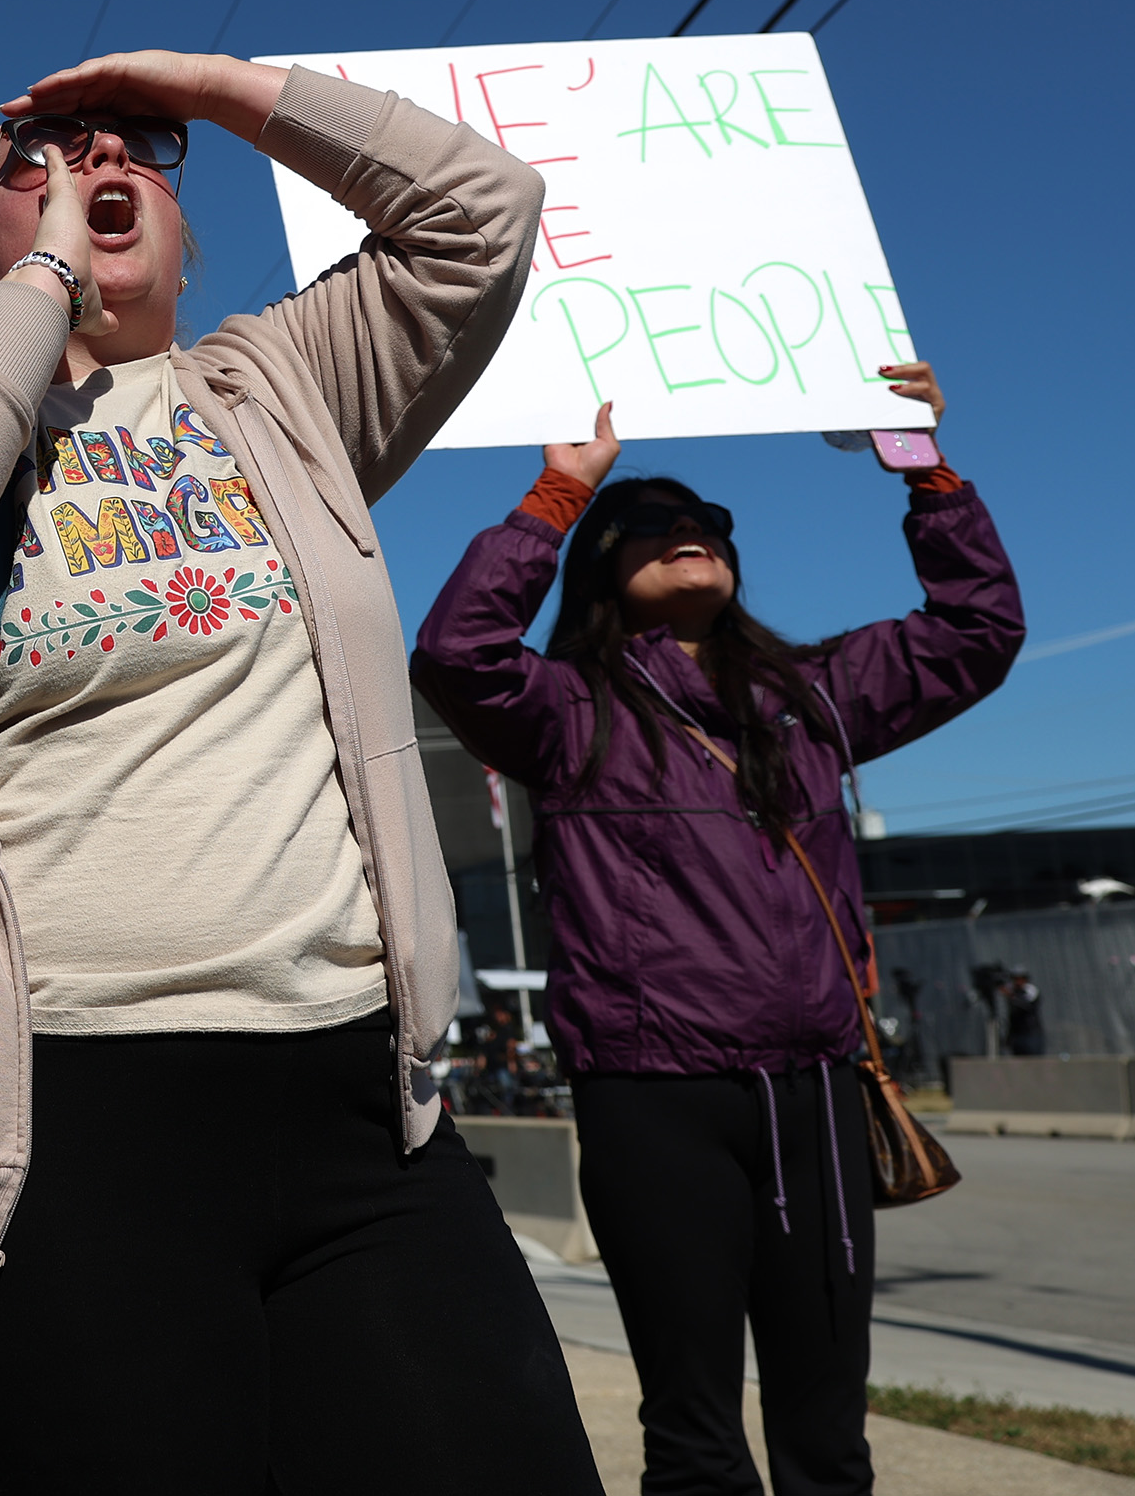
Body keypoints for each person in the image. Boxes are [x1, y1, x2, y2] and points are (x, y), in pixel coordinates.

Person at [0, 48, 597, 1488]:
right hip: (43, 1122)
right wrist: (36, 300)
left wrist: (212, 90)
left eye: (135, 149)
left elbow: (483, 212)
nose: (97, 166)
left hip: (355, 1103)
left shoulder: (279, 386)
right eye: (36, 158)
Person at [411, 370, 1021, 1496]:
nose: (688, 534)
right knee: (693, 1427)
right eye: (653, 527)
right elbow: (456, 655)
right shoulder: (570, 711)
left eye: (707, 525)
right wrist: (556, 497)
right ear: (605, 566)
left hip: (817, 1094)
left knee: (828, 1429)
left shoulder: (819, 694)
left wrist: (923, 467)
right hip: (655, 1100)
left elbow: (976, 630)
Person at [1006, 969, 1047, 1055]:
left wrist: (1012, 996)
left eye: (1020, 979)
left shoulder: (1031, 991)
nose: (1018, 982)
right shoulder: (1013, 992)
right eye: (1015, 979)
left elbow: (1027, 1006)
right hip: (1017, 1034)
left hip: (1031, 1034)